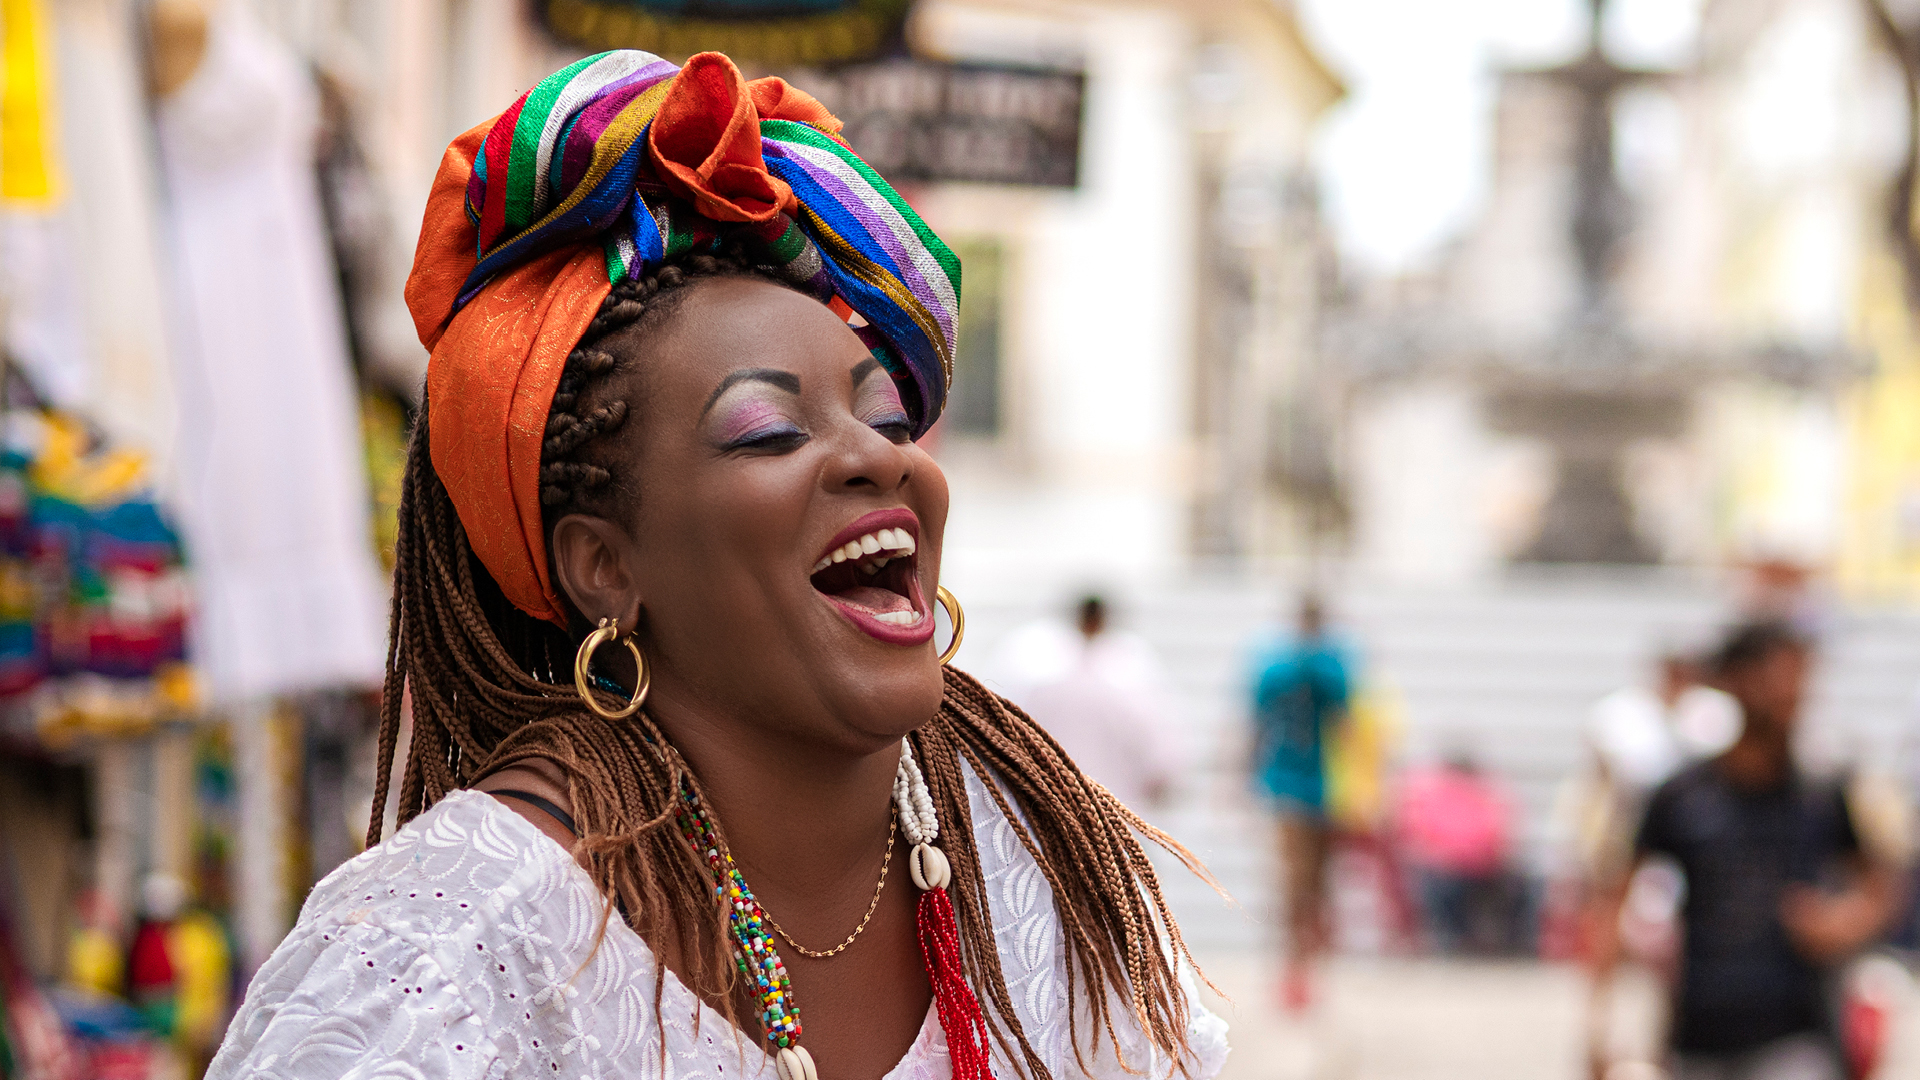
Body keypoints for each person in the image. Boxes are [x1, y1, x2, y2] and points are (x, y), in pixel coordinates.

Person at [206, 50, 1227, 1080]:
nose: (879, 455)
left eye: (885, 416)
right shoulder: (444, 958)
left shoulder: (1039, 873)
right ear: (604, 567)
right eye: (770, 432)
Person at [1587, 622, 1904, 1080]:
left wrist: (1843, 922)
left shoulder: (1821, 792)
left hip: (1796, 1035)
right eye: (1781, 679)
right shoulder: (1680, 796)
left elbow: (1879, 886)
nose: (1795, 695)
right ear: (1735, 682)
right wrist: (1601, 1028)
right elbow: (1612, 902)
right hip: (1696, 1034)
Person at [1248, 593, 1352, 1010]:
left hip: (1295, 787)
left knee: (1298, 885)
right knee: (1310, 886)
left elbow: (1256, 727)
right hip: (1317, 788)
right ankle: (1303, 969)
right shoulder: (1333, 666)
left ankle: (1298, 970)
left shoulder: (1279, 667)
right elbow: (1349, 729)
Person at [1020, 595, 1186, 810]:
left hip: (1058, 807)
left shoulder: (1041, 676)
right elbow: (1161, 754)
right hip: (1116, 808)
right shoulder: (1133, 675)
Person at [1394, 752, 1520, 954]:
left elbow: (1496, 833)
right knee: (1438, 884)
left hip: (1479, 868)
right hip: (1449, 867)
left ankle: (1492, 940)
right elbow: (1422, 832)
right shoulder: (1435, 794)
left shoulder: (1483, 794)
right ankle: (1453, 936)